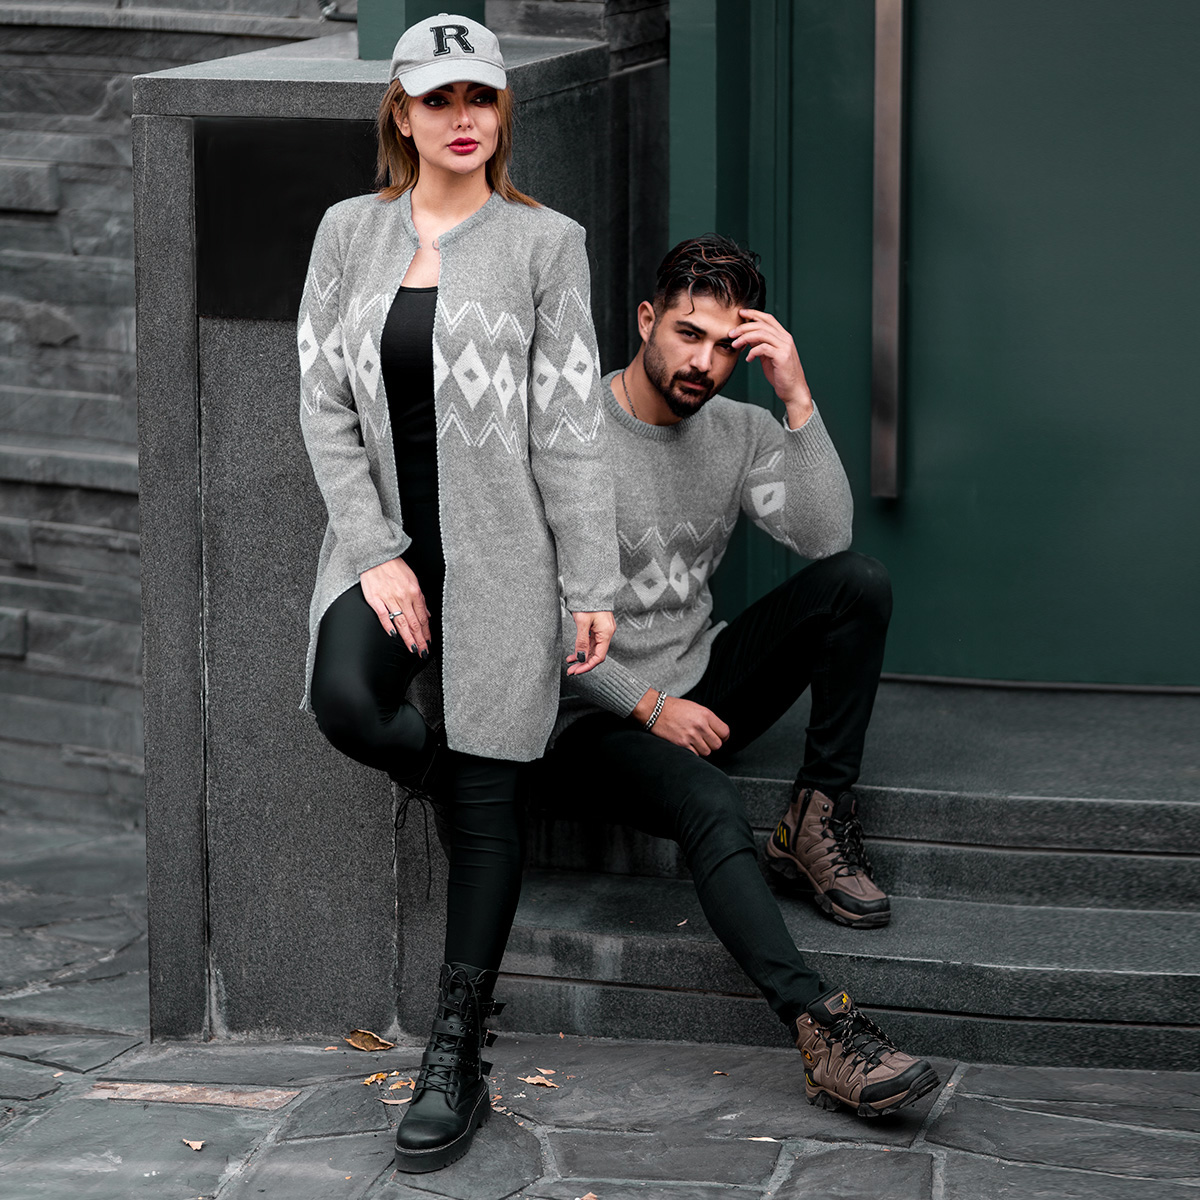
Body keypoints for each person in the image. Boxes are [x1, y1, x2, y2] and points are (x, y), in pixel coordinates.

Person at [296, 14, 618, 1173]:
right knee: (346, 701)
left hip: (505, 558)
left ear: (501, 108)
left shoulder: (546, 245)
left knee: (488, 802)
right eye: (440, 99)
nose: (464, 118)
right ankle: (466, 779)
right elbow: (322, 403)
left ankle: (455, 1050)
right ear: (402, 110)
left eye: (480, 96)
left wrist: (590, 579)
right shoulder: (350, 232)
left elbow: (572, 427)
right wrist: (374, 550)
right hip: (384, 548)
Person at [537, 234, 940, 1118]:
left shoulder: (739, 431)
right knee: (710, 802)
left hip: (700, 681)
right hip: (589, 715)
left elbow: (826, 537)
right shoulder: (570, 432)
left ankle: (815, 818)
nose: (705, 363)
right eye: (689, 334)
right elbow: (535, 621)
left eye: (727, 346)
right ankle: (821, 1028)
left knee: (858, 584)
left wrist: (794, 396)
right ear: (646, 320)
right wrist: (649, 707)